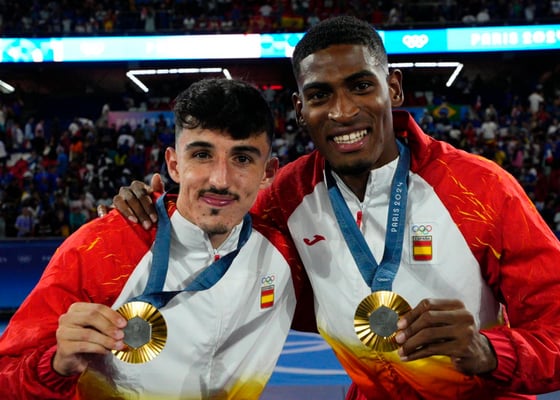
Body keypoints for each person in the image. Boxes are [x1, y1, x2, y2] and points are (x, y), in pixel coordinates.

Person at [110, 16, 560, 399]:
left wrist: (487, 351)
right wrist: (156, 206)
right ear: (300, 108)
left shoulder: (480, 189)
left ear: (393, 88)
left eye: (361, 86)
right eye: (320, 95)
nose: (342, 112)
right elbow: (219, 229)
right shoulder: (287, 196)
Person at [0, 78, 310, 399]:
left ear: (268, 172)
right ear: (174, 164)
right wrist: (55, 367)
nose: (220, 179)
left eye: (242, 158)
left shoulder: (286, 256)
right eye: (202, 155)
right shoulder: (100, 248)